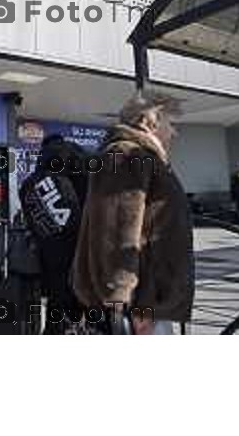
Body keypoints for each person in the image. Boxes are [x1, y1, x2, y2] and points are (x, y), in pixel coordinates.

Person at [72, 90, 195, 335]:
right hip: (142, 307)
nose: (174, 132)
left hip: (151, 302)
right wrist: (122, 298)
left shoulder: (141, 157)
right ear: (148, 122)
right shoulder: (127, 154)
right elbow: (116, 231)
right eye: (170, 123)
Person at [19, 135, 88, 334]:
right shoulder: (76, 155)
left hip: (51, 252)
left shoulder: (33, 180)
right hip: (79, 246)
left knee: (57, 298)